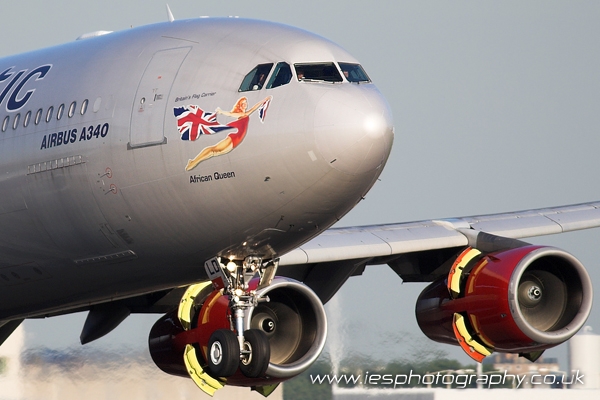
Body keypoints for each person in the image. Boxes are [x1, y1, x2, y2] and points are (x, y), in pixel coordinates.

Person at [185, 96, 272, 171]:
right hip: (234, 137)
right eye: (243, 103)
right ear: (240, 105)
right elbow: (230, 114)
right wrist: (222, 112)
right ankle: (193, 162)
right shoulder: (240, 114)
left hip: (237, 140)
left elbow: (253, 108)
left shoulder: (245, 113)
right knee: (213, 149)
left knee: (215, 152)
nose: (245, 104)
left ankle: (193, 162)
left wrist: (263, 100)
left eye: (246, 103)